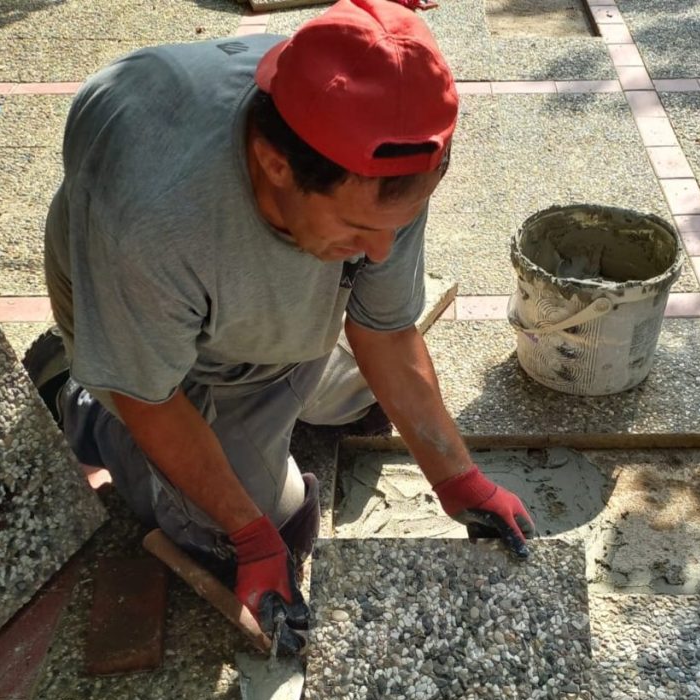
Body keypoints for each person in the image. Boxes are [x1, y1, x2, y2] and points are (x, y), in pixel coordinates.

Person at [28, 0, 535, 654]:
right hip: (153, 330)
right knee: (238, 528)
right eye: (358, 231)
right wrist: (249, 536)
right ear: (275, 165)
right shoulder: (153, 221)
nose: (379, 253)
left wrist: (458, 477)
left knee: (369, 402)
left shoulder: (381, 146)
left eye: (395, 229)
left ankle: (281, 393)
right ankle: (77, 392)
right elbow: (151, 399)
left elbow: (384, 330)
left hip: (269, 309)